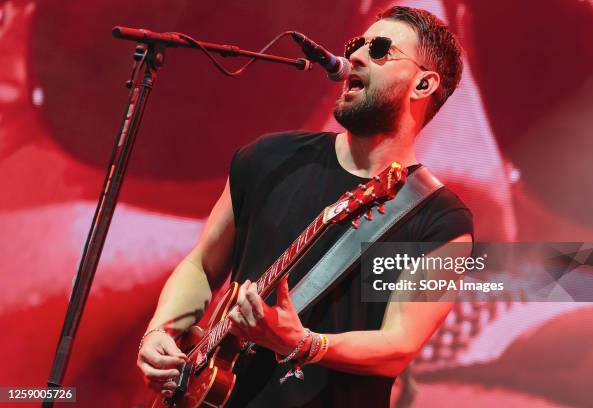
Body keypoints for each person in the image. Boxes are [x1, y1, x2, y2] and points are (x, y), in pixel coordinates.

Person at [137, 6, 473, 407]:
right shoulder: (269, 158)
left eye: (380, 49)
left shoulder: (440, 218)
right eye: (357, 44)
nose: (356, 57)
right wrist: (160, 330)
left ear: (423, 84)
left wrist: (304, 343)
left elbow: (399, 344)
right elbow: (202, 265)